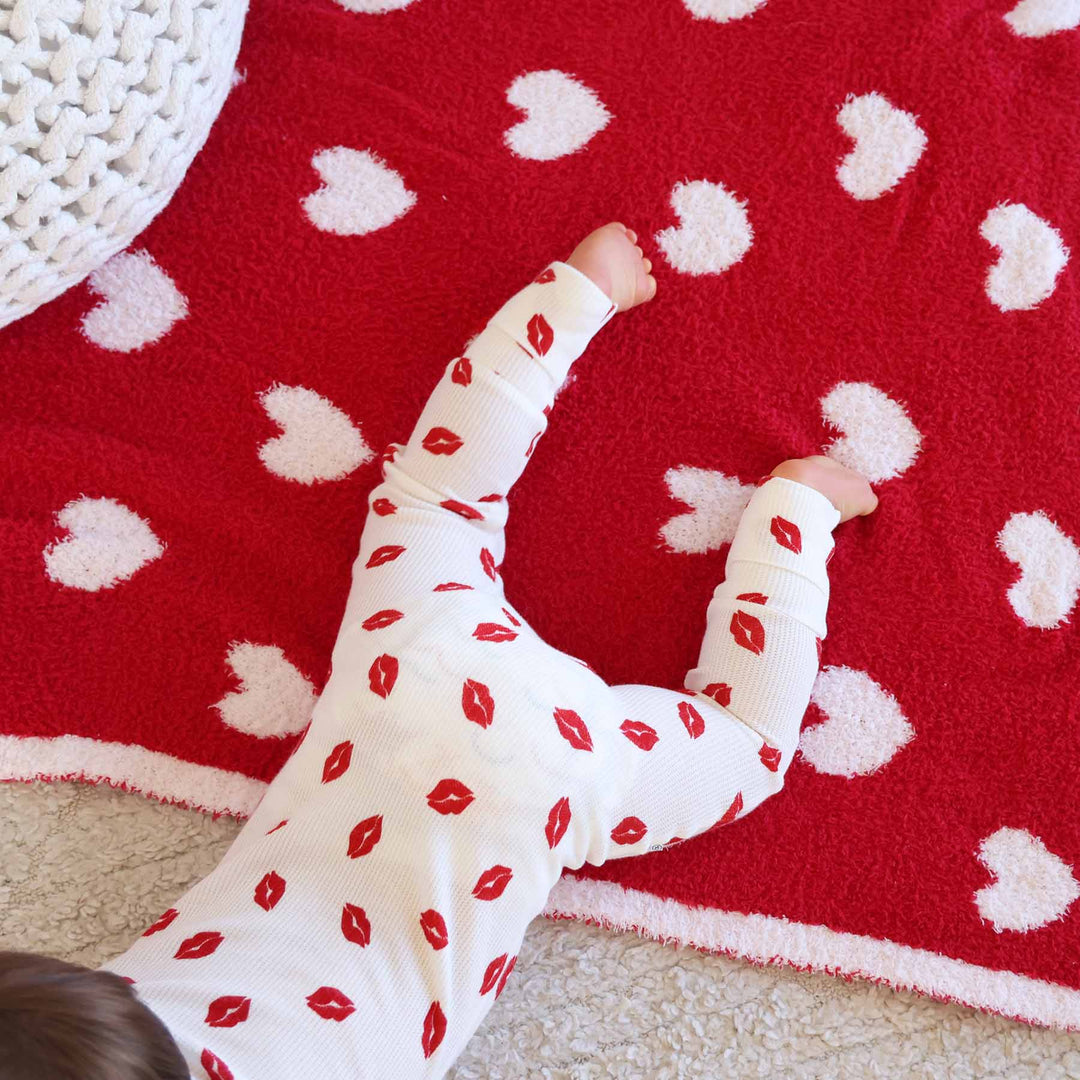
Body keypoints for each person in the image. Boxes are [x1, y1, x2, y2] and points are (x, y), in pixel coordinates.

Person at [0, 222, 878, 1080]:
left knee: (747, 744)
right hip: (406, 685)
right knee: (433, 501)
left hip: (549, 781)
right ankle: (581, 290)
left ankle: (799, 515)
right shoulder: (115, 1008)